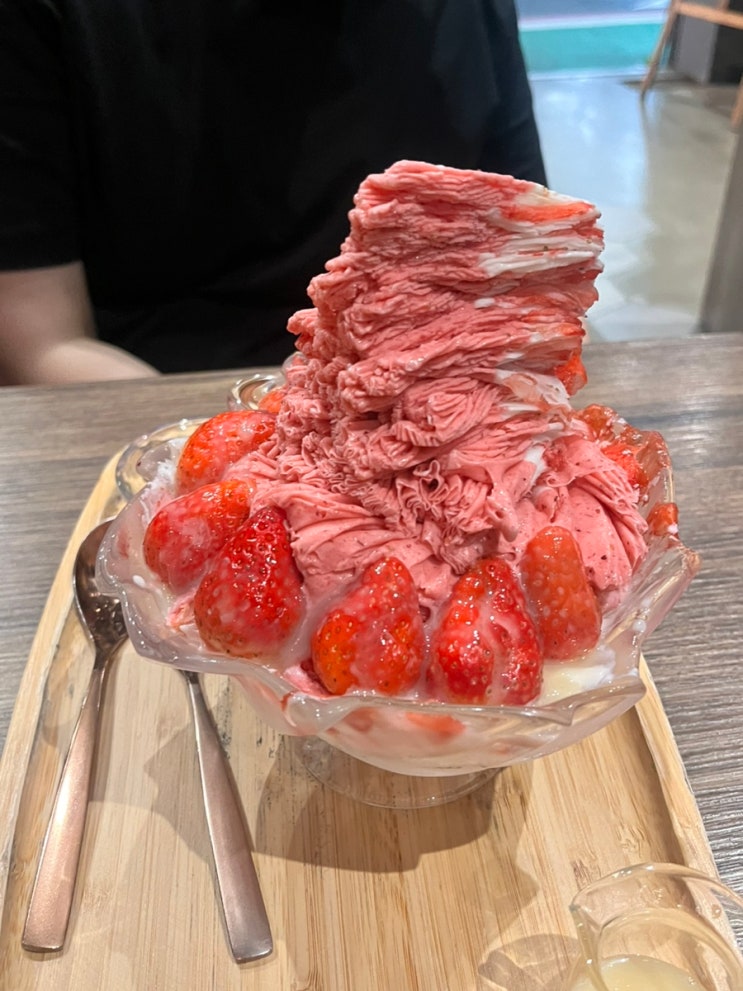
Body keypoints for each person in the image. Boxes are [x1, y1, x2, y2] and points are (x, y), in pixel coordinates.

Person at [0, 0, 547, 385]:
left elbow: (530, 282)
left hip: (431, 393)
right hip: (164, 398)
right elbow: (41, 346)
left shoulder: (467, 13)